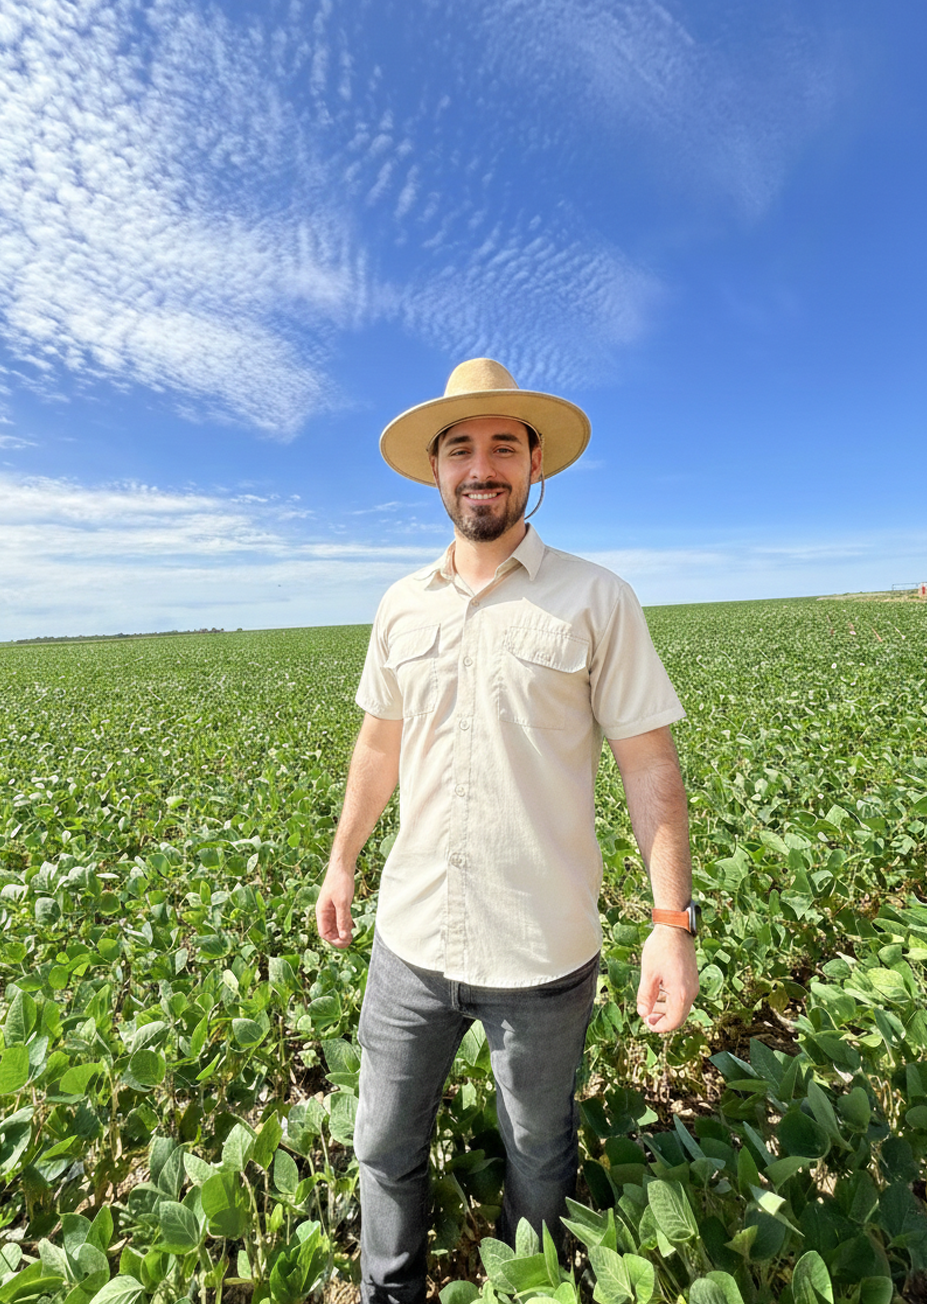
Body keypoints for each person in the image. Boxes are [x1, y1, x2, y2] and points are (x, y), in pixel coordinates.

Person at [316, 358, 699, 1304]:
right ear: (436, 472)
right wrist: (341, 862)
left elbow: (648, 764)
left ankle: (527, 1289)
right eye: (460, 449)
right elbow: (377, 742)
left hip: (543, 949)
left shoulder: (595, 597)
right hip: (410, 940)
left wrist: (670, 921)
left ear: (536, 468)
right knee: (382, 1143)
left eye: (502, 446)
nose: (480, 466)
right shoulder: (402, 603)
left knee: (537, 1147)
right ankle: (389, 1293)